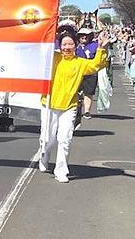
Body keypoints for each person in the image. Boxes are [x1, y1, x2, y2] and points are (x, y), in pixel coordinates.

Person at [38, 30, 110, 183]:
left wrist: (101, 48)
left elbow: (96, 65)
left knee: (64, 139)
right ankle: (44, 156)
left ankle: (61, 171)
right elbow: (39, 51)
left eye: (70, 44)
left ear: (75, 45)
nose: (67, 47)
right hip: (49, 104)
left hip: (69, 106)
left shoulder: (80, 63)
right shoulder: (53, 58)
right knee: (48, 138)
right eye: (64, 44)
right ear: (59, 46)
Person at [75, 28, 99, 120]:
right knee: (75, 91)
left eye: (86, 35)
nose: (84, 37)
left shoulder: (94, 45)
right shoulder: (75, 45)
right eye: (82, 35)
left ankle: (87, 111)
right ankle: (76, 108)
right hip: (77, 71)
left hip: (90, 72)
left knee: (88, 92)